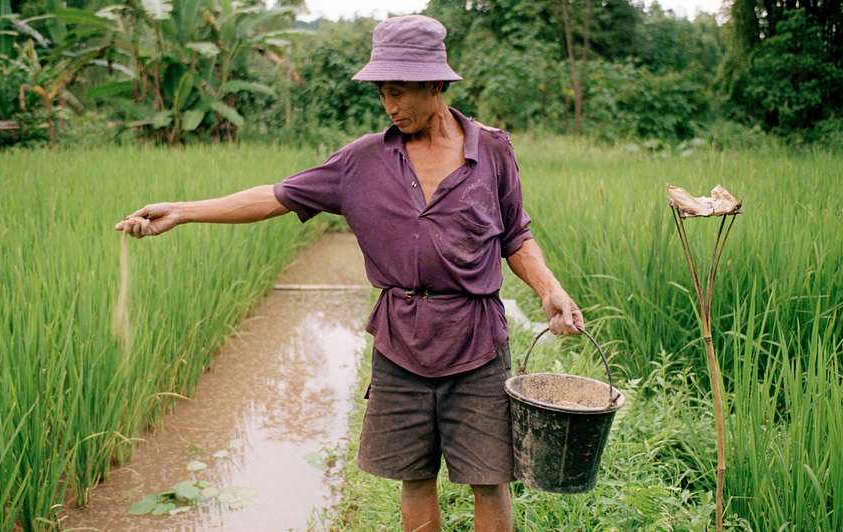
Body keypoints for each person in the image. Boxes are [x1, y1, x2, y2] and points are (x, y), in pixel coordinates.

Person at [114, 14, 584, 532]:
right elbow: (274, 196)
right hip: (400, 340)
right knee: (414, 476)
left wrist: (550, 288)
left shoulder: (491, 149)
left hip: (475, 341)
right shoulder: (361, 161)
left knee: (488, 478)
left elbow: (515, 234)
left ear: (436, 84)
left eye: (400, 92)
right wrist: (182, 210)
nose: (390, 105)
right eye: (383, 92)